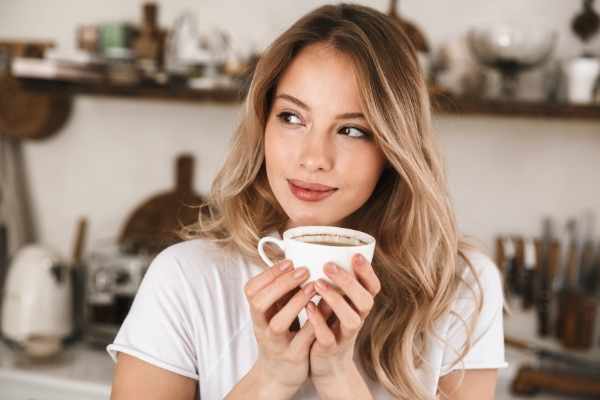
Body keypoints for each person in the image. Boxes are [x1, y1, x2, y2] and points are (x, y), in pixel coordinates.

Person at [107, 3, 507, 399]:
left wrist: (338, 376)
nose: (314, 158)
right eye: (293, 118)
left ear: (393, 149)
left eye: (351, 130)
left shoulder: (461, 289)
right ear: (264, 122)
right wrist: (273, 377)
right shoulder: (184, 279)